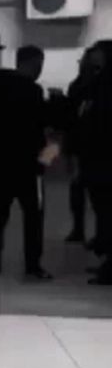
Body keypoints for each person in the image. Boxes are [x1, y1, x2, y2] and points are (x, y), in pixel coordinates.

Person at [0, 45, 54, 280]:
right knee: (33, 216)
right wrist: (45, 161)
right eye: (39, 65)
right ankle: (32, 265)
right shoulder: (33, 91)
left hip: (0, 163)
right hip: (28, 165)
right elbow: (40, 128)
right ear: (33, 63)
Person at [77, 41, 112, 285]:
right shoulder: (98, 82)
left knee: (108, 212)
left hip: (103, 157)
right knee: (103, 211)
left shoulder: (104, 85)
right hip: (97, 157)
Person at [63, 46, 103, 244]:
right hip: (85, 146)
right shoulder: (86, 86)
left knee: (86, 192)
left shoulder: (82, 86)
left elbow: (70, 119)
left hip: (85, 146)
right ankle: (92, 233)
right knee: (89, 193)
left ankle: (84, 230)